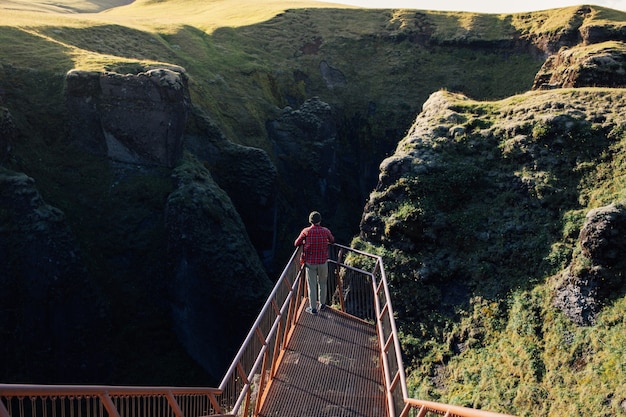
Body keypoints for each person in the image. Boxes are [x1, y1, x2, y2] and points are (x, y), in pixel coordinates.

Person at [294, 211, 335, 315]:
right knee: (322, 283)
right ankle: (322, 304)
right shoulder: (325, 231)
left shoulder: (306, 231)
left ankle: (313, 308)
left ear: (310, 221)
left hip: (310, 263)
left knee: (312, 285)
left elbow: (296, 243)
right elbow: (332, 240)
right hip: (323, 262)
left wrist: (305, 242)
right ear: (320, 220)